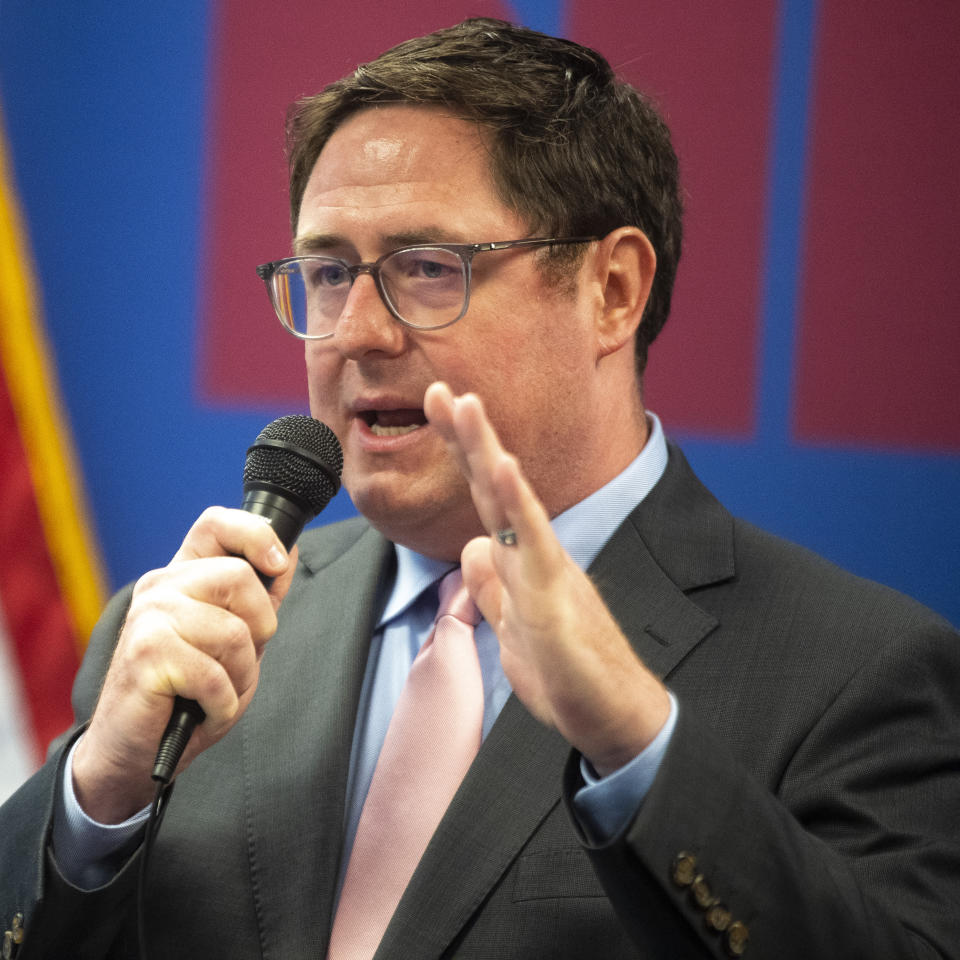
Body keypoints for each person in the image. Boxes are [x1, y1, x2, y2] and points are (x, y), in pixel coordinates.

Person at [1, 17, 958, 960]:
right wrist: (98, 802)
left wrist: (635, 741)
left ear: (612, 290)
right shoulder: (188, 643)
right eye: (330, 273)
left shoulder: (863, 676)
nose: (357, 333)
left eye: (427, 268)